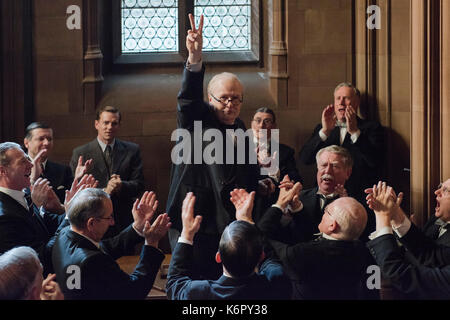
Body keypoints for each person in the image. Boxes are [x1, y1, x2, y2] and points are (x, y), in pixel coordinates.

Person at [166, 14, 260, 279]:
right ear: (210, 99)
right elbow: (187, 100)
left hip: (228, 222)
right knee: (197, 288)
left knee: (226, 286)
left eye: (236, 99)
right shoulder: (197, 118)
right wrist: (194, 58)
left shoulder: (240, 126)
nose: (230, 104)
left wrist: (260, 182)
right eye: (224, 99)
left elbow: (241, 168)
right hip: (197, 221)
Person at [241, 183, 377, 299]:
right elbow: (316, 239)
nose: (324, 212)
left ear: (332, 225)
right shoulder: (364, 253)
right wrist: (297, 208)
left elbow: (263, 239)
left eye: (327, 211)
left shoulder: (301, 255)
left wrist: (279, 204)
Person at [166, 192, 291, 300]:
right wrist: (246, 220)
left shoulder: (197, 293)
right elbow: (272, 262)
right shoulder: (277, 285)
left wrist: (186, 234)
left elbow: (174, 283)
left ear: (218, 257)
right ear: (261, 256)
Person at [52, 188, 170, 300]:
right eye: (109, 217)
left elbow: (105, 248)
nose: (112, 222)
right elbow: (134, 291)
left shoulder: (64, 235)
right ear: (91, 223)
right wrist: (151, 243)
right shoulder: (93, 260)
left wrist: (137, 227)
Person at [366, 180, 450, 299]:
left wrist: (383, 216)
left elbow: (401, 275)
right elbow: (429, 253)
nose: (437, 191)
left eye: (445, 190)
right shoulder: (437, 219)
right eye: (440, 186)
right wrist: (395, 214)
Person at [299, 82, 384, 199]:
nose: (341, 102)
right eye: (338, 98)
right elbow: (305, 159)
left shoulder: (372, 128)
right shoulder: (322, 128)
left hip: (357, 196)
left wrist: (355, 132)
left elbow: (375, 162)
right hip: (325, 196)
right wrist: (324, 132)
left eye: (346, 98)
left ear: (357, 103)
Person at [70, 105, 145, 235]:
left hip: (123, 221)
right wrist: (105, 191)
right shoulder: (81, 153)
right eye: (106, 123)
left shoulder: (132, 150)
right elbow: (75, 192)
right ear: (96, 124)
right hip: (93, 222)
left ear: (119, 125)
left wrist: (121, 185)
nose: (110, 127)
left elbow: (139, 185)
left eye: (114, 123)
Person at [0, 142, 70, 274]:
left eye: (28, 159)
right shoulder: (5, 217)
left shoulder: (25, 193)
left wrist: (70, 209)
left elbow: (47, 225)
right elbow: (40, 258)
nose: (31, 165)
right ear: (3, 171)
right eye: (23, 162)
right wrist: (69, 217)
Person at [285, 145, 374, 243]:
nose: (327, 171)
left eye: (335, 166)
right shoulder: (299, 198)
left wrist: (346, 207)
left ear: (348, 173)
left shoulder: (360, 206)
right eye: (323, 165)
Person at [251, 107, 303, 221]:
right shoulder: (239, 149)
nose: (261, 125)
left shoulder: (286, 152)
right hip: (247, 205)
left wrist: (275, 172)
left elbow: (296, 179)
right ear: (252, 124)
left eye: (267, 121)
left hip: (274, 208)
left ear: (274, 126)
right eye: (258, 120)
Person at [23, 122, 77, 203]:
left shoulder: (63, 170)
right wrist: (32, 180)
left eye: (49, 139)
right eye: (41, 139)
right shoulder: (18, 169)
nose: (46, 143)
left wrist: (78, 179)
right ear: (27, 143)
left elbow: (72, 202)